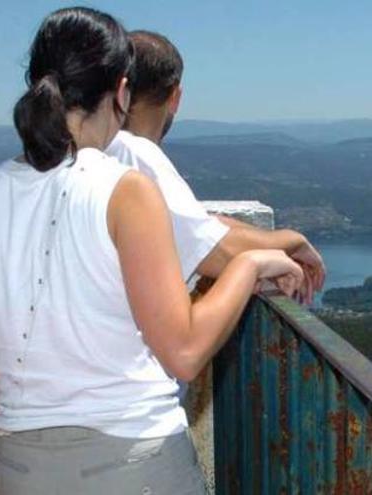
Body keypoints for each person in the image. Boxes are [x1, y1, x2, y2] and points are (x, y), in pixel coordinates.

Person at [0, 7, 303, 493]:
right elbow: (185, 350)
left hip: (22, 466)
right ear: (122, 91)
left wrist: (9, 458)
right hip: (135, 461)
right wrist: (251, 263)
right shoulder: (125, 190)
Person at [106, 30, 325, 302]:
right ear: (175, 97)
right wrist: (293, 241)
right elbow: (214, 251)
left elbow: (193, 223)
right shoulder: (134, 152)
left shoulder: (103, 148)